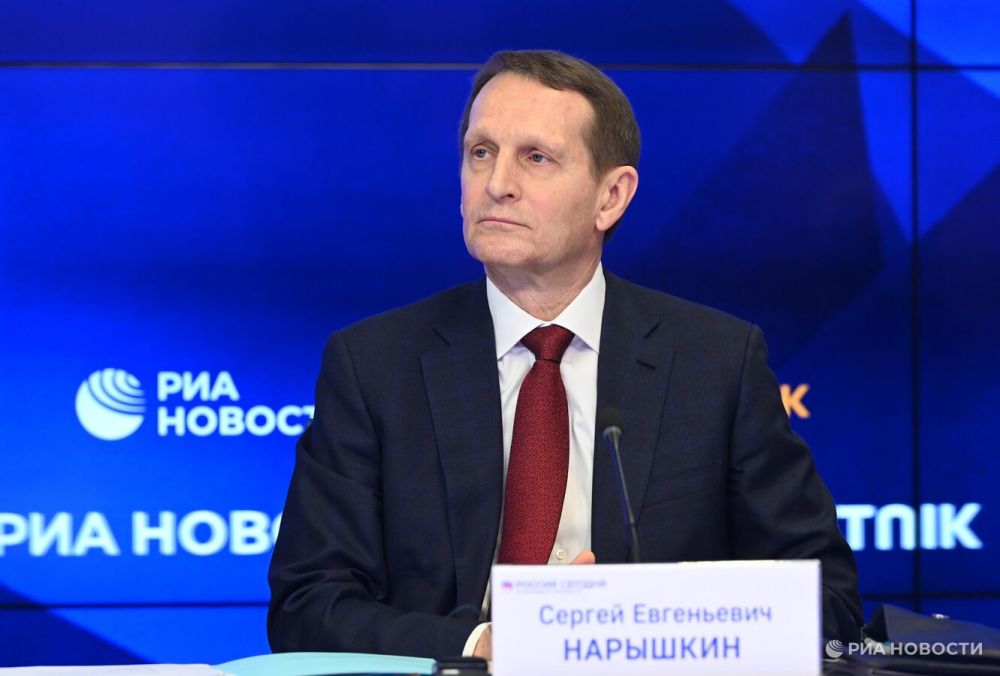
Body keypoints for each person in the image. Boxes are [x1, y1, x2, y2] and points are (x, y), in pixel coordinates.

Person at [267, 49, 863, 660]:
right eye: (481, 152)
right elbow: (307, 605)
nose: (497, 183)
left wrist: (636, 633)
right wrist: (485, 645)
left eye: (536, 158)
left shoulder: (716, 364)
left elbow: (827, 603)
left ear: (611, 197)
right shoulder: (374, 366)